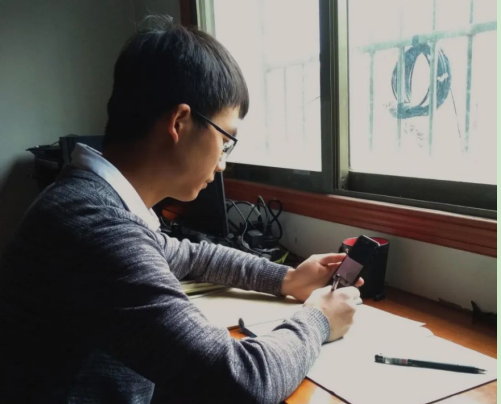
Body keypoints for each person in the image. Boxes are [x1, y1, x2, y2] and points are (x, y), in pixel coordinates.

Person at [0, 16, 362, 404]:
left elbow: (189, 255)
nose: (223, 163)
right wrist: (318, 319)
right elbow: (242, 381)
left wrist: (287, 278)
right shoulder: (95, 228)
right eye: (226, 140)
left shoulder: (88, 200)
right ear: (179, 122)